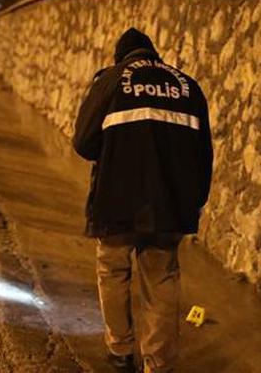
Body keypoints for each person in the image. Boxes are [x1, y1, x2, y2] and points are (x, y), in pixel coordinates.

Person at [72, 27, 213, 373]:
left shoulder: (112, 81)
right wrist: (193, 201)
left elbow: (83, 142)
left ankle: (120, 352)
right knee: (162, 278)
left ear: (121, 56)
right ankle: (159, 363)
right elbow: (202, 155)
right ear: (153, 54)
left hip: (116, 199)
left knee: (113, 271)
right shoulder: (186, 86)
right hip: (169, 203)